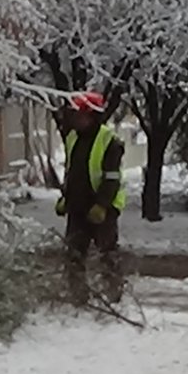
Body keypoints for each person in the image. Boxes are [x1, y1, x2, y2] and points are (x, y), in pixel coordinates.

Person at [55, 90, 126, 303]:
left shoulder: (109, 141)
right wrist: (66, 198)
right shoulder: (73, 138)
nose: (76, 119)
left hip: (103, 208)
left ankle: (114, 295)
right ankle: (78, 295)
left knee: (108, 254)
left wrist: (102, 205)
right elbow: (73, 172)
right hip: (78, 207)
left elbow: (112, 178)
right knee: (74, 254)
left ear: (92, 115)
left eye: (80, 114)